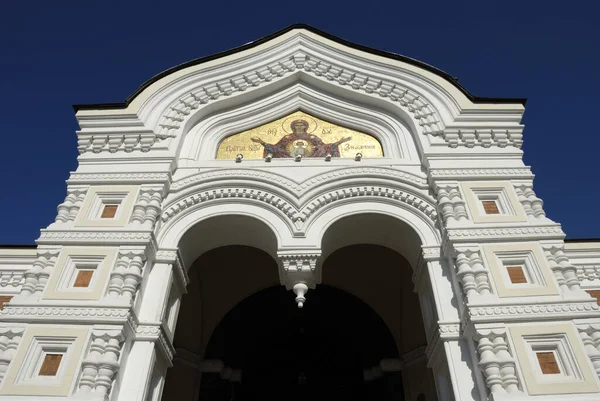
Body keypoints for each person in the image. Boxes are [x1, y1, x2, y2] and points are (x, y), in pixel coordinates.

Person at [251, 119, 351, 158]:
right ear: (293, 127)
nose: (299, 127)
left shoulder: (312, 137)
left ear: (305, 127)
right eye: (297, 125)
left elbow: (324, 148)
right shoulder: (287, 138)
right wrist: (262, 142)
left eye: (301, 125)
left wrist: (339, 142)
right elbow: (277, 149)